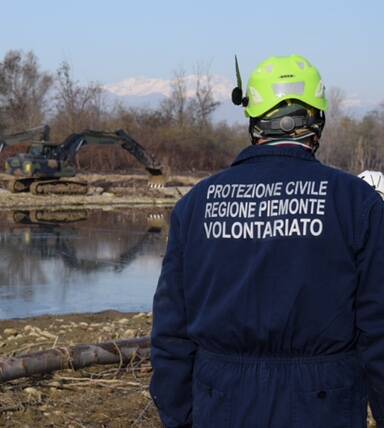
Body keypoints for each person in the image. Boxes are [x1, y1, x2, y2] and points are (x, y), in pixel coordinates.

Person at [150, 55, 384, 428]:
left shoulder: (195, 205)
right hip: (324, 404)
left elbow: (170, 332)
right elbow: (378, 328)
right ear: (317, 120)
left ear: (253, 119)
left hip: (221, 401)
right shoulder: (356, 203)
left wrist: (179, 417)